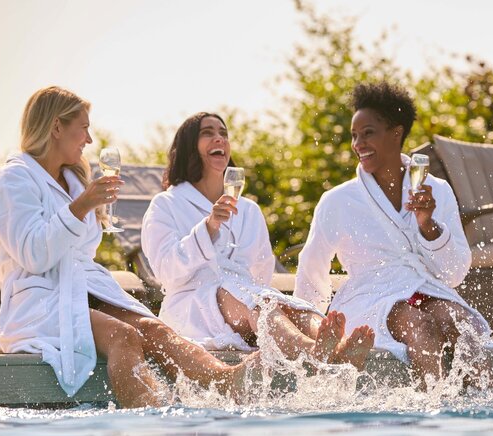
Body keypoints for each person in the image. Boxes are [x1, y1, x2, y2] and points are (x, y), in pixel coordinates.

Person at [0, 87, 253, 409]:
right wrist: (81, 207)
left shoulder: (72, 180)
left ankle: (225, 380)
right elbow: (33, 256)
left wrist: (84, 206)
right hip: (39, 300)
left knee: (155, 329)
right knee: (124, 336)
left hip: (83, 288)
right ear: (56, 128)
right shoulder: (13, 180)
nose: (89, 140)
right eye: (84, 127)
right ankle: (147, 420)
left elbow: (82, 248)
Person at [294, 81, 491, 386]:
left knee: (461, 323)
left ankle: (486, 411)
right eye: (354, 136)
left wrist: (428, 225)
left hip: (425, 289)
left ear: (396, 133)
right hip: (369, 299)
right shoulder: (338, 200)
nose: (358, 143)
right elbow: (312, 270)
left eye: (368, 133)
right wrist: (313, 331)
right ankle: (431, 416)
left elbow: (454, 274)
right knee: (419, 326)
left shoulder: (435, 190)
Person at [141, 112, 374, 368]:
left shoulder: (249, 210)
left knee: (292, 307)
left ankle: (336, 347)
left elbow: (260, 274)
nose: (219, 138)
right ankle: (313, 350)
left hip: (245, 303)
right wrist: (208, 228)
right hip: (193, 306)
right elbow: (165, 271)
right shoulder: (165, 205)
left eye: (223, 133)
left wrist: (245, 300)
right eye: (207, 133)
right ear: (188, 147)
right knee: (261, 304)